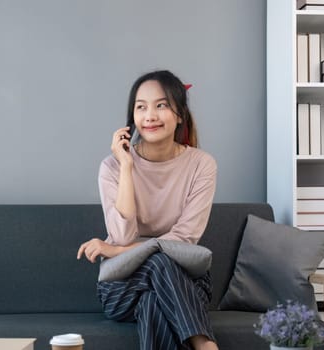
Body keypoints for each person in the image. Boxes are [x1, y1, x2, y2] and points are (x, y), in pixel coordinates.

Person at [77, 70, 218, 350]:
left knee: (154, 297)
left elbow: (185, 239)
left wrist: (116, 251)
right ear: (132, 118)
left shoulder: (202, 165)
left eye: (161, 105)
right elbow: (122, 234)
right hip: (122, 288)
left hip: (185, 285)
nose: (150, 115)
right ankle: (204, 344)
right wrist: (127, 168)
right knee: (159, 260)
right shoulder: (112, 167)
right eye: (141, 107)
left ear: (180, 115)